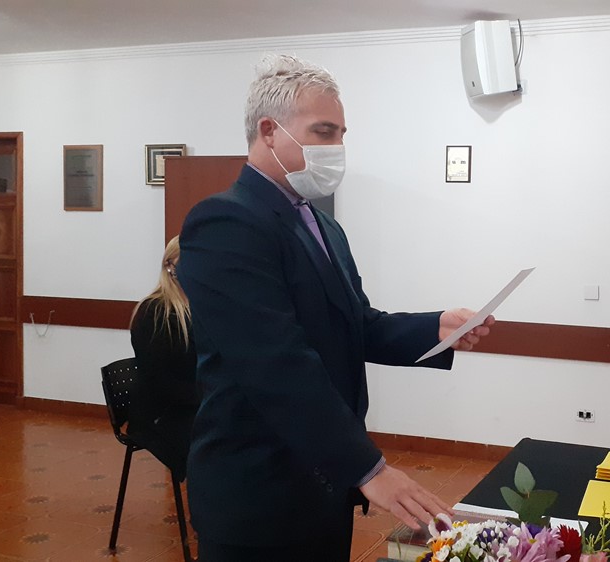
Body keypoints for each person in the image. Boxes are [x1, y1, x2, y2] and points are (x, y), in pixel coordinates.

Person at [177, 54, 495, 561]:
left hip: (323, 487)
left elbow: (355, 325)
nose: (336, 148)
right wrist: (369, 468)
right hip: (260, 492)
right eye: (323, 132)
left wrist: (436, 328)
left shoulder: (323, 226)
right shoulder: (225, 222)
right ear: (269, 131)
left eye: (341, 134)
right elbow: (275, 362)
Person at [128, 235, 199, 482]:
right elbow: (157, 379)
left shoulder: (198, 305)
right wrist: (205, 397)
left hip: (190, 401)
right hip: (162, 412)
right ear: (170, 265)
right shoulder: (154, 311)